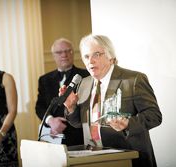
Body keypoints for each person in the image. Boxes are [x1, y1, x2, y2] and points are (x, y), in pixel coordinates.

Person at [62, 34, 162, 167]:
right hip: (94, 159)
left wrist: (128, 124)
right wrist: (71, 107)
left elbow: (154, 116)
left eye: (96, 54)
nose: (90, 61)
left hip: (129, 158)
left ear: (111, 56)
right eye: (86, 56)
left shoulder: (133, 80)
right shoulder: (84, 84)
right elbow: (79, 124)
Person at [36, 38, 89, 146]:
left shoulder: (86, 76)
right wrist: (51, 121)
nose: (64, 55)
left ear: (73, 53)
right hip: (52, 134)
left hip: (78, 135)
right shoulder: (44, 79)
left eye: (67, 51)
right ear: (53, 55)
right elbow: (39, 107)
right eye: (59, 52)